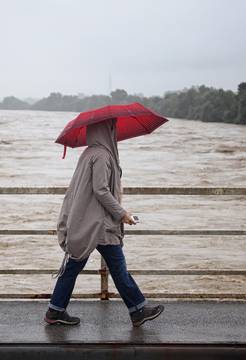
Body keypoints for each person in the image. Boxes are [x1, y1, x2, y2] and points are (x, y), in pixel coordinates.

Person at [44, 118, 164, 327]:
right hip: (100, 225)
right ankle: (138, 310)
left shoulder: (90, 153)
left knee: (74, 268)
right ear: (104, 130)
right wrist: (122, 214)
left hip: (88, 223)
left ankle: (55, 311)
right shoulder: (101, 155)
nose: (114, 132)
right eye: (111, 128)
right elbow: (101, 190)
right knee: (118, 269)